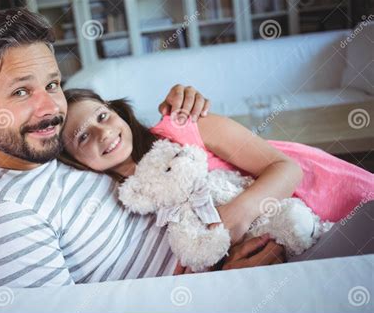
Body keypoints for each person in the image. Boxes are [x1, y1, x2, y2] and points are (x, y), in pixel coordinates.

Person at [0, 9, 285, 288]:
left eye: (52, 84)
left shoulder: (49, 152)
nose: (50, 107)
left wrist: (180, 114)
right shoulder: (2, 216)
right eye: (21, 92)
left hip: (252, 236)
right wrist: (219, 287)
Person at [58, 88, 374, 266]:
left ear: (117, 111)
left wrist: (234, 216)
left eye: (102, 116)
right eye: (82, 137)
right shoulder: (123, 200)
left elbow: (287, 168)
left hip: (317, 214)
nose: (103, 132)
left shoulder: (183, 127)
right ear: (74, 161)